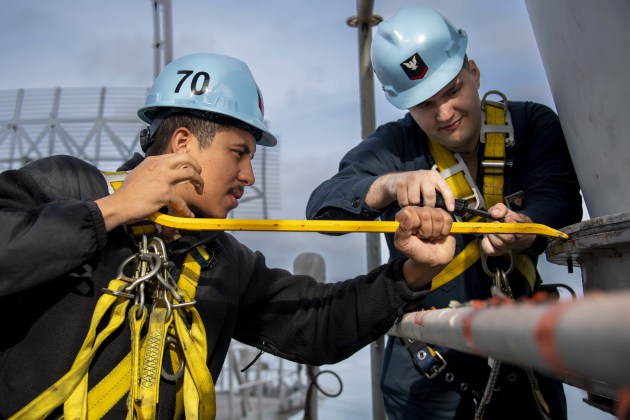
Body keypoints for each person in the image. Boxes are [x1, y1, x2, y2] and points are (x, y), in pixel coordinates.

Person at [0, 52, 457, 419]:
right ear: (183, 145)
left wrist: (412, 272)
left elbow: (316, 322)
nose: (249, 176)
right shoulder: (67, 186)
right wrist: (111, 211)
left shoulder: (221, 259)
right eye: (239, 153)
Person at [306, 6, 582, 420]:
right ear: (407, 108)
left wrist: (526, 227)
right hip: (426, 378)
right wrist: (388, 185)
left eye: (452, 90)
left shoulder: (531, 126)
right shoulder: (395, 147)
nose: (444, 114)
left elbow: (559, 198)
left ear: (473, 71)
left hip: (524, 367)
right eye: (424, 104)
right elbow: (322, 208)